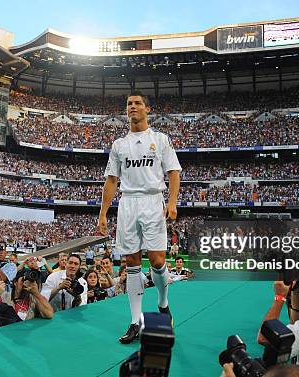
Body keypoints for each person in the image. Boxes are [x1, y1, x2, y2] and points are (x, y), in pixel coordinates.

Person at [98, 91, 181, 344]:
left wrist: (173, 203)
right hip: (128, 203)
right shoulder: (119, 145)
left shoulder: (161, 139)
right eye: (129, 104)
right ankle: (135, 322)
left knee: (157, 260)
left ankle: (163, 304)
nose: (132, 107)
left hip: (153, 201)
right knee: (131, 262)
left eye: (137, 103)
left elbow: (174, 173)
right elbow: (111, 181)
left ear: (147, 109)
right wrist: (102, 213)